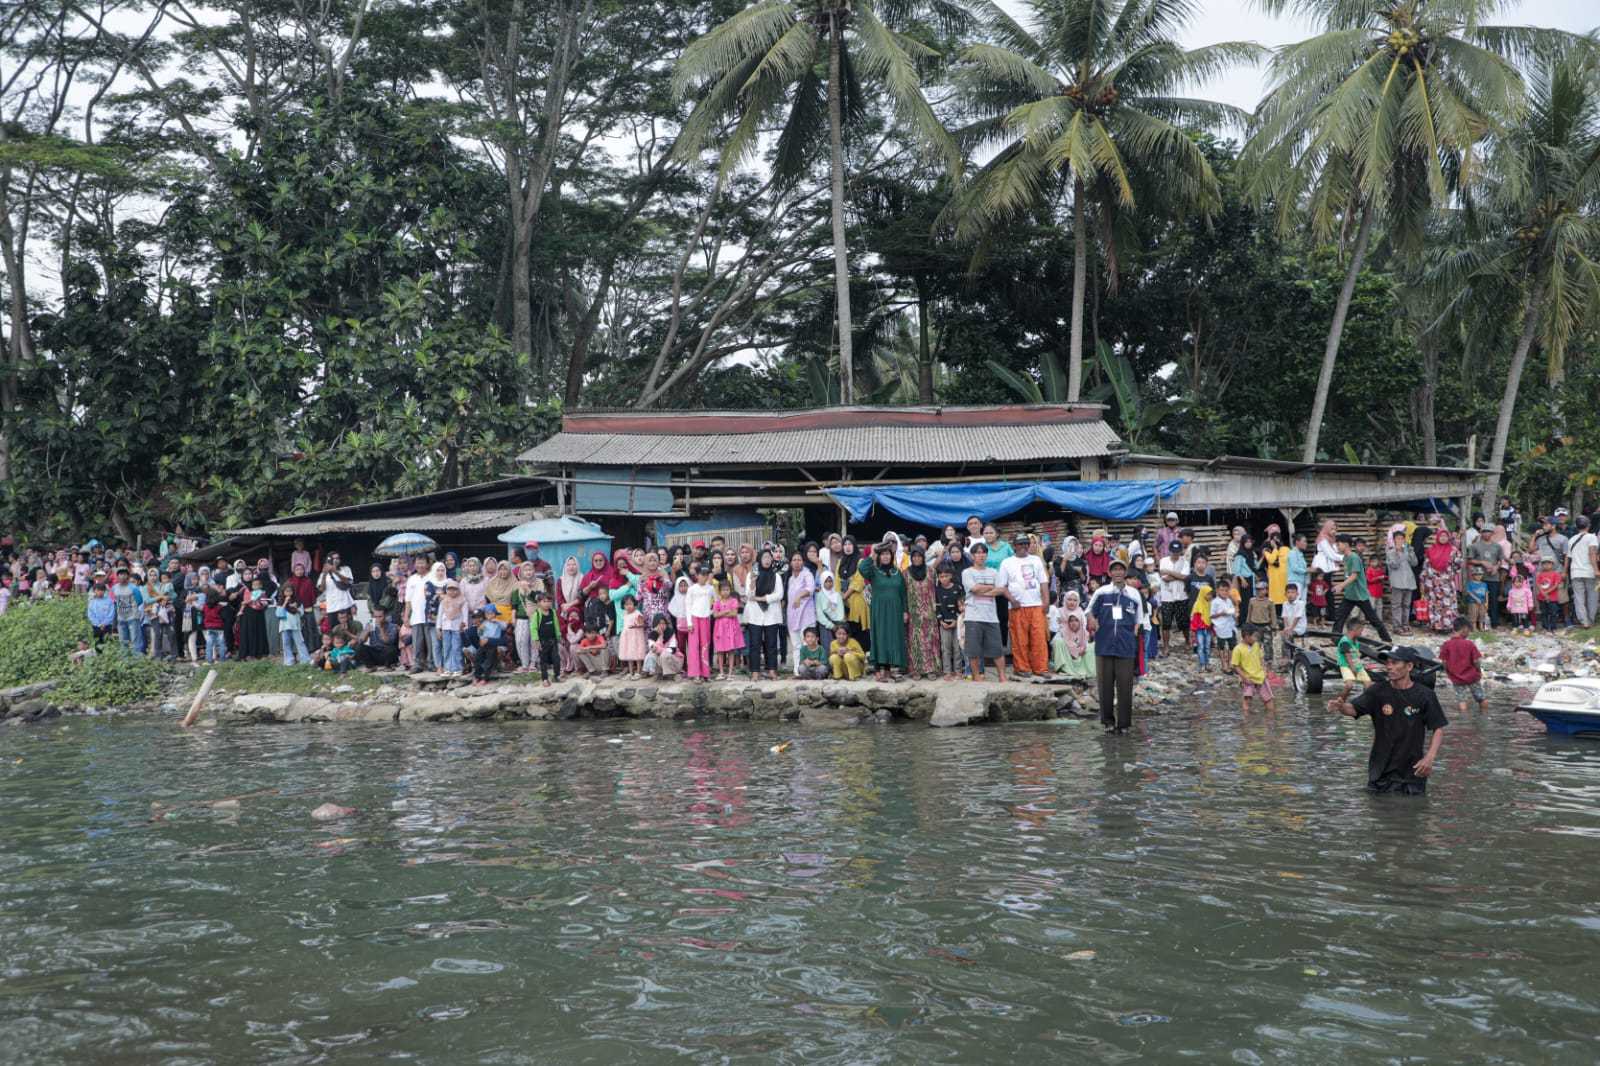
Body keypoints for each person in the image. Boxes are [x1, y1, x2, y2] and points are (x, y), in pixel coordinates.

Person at [1326, 646, 1447, 795]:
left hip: (1413, 773)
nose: (1389, 667)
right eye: (1388, 662)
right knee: (1379, 812)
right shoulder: (1377, 691)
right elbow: (1354, 709)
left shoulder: (1425, 695)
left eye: (1395, 662)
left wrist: (1429, 758)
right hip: (1380, 772)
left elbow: (1438, 728)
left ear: (1409, 666)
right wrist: (1341, 707)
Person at [1087, 560, 1142, 733]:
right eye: (1114, 569)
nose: (1118, 572)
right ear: (1110, 573)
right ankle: (1108, 722)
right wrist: (1092, 621)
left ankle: (1124, 725)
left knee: (1125, 686)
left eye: (1121, 569)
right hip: (1104, 645)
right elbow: (1088, 611)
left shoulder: (1134, 594)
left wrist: (1134, 634)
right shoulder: (1102, 592)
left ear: (1125, 572)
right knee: (1105, 686)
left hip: (1126, 647)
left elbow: (1139, 621)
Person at [997, 533, 1048, 678]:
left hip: (1036, 604)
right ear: (1014, 546)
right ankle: (1021, 668)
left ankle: (1041, 668)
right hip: (1017, 607)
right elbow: (1001, 586)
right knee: (1020, 639)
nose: (1024, 546)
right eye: (1020, 544)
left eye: (1026, 543)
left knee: (1039, 638)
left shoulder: (1036, 560)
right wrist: (1012, 600)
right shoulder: (1007, 562)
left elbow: (1043, 582)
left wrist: (1046, 601)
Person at [858, 543, 908, 681]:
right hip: (879, 610)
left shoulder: (897, 573)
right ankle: (879, 670)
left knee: (893, 638)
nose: (885, 557)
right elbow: (862, 568)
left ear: (891, 556)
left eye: (888, 554)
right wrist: (872, 554)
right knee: (880, 637)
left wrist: (905, 611)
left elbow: (903, 593)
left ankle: (890, 670)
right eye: (883, 554)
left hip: (895, 611)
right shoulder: (873, 571)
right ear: (879, 556)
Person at [1331, 533, 1392, 642]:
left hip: (1360, 595)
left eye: (1338, 544)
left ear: (1346, 544)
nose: (1337, 546)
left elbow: (1354, 576)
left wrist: (1340, 585)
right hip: (1350, 594)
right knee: (1340, 616)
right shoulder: (1346, 557)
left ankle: (1387, 640)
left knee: (1373, 619)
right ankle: (1335, 639)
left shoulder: (1354, 558)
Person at [961, 542, 1006, 683]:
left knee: (997, 649)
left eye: (983, 552)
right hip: (973, 616)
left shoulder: (994, 572)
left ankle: (1002, 676)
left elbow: (1001, 590)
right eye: (977, 553)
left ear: (986, 555)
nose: (981, 555)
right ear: (972, 556)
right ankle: (976, 676)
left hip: (991, 617)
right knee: (973, 650)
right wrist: (991, 588)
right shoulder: (967, 572)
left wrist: (984, 591)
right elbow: (974, 589)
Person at [744, 549, 785, 678]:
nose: (767, 560)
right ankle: (755, 671)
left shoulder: (776, 576)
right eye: (764, 557)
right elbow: (749, 595)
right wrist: (753, 582)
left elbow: (779, 594)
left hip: (771, 614)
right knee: (755, 643)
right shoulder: (751, 575)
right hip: (755, 614)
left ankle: (772, 669)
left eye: (769, 557)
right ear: (760, 559)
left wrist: (763, 598)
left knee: (771, 643)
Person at [903, 546, 941, 679]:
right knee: (915, 641)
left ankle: (931, 670)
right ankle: (916, 670)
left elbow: (937, 591)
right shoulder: (906, 573)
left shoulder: (931, 571)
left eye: (919, 556)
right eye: (914, 556)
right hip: (913, 614)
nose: (917, 558)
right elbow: (902, 594)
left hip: (930, 612)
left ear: (923, 557)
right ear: (911, 558)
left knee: (930, 640)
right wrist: (905, 611)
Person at [1438, 618, 1485, 714]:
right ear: (1464, 629)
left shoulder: (1446, 645)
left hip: (1457, 677)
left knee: (1461, 700)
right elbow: (1476, 661)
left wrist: (1449, 672)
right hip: (1472, 676)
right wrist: (1478, 670)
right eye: (1469, 631)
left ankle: (1464, 719)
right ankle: (1484, 715)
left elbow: (1444, 662)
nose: (1469, 633)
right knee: (1481, 698)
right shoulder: (1469, 644)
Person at [784, 551, 816, 675]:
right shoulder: (790, 578)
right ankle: (797, 670)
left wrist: (799, 596)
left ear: (803, 562)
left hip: (806, 615)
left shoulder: (807, 574)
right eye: (794, 560)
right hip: (793, 614)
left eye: (799, 560)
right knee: (796, 645)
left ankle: (808, 670)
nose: (797, 562)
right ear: (791, 563)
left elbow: (810, 589)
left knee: (807, 643)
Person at [1231, 625, 1276, 712]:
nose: (1256, 638)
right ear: (1247, 636)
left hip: (1260, 677)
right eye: (1254, 636)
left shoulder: (1256, 645)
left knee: (1268, 699)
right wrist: (1244, 677)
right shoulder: (1238, 649)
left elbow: (1260, 658)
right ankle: (1247, 722)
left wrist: (1264, 670)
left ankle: (1270, 721)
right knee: (1247, 700)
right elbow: (1235, 666)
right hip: (1247, 678)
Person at [1157, 541, 1191, 654]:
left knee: (1184, 622)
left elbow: (1185, 577)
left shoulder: (1185, 562)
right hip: (1167, 596)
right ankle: (1166, 646)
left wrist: (1170, 572)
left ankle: (1187, 641)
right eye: (1173, 552)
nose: (1175, 554)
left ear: (1181, 551)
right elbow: (1164, 577)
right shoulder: (1163, 561)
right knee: (1166, 623)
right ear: (1170, 550)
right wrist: (1178, 576)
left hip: (1181, 595)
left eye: (1177, 552)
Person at [1052, 590, 1094, 680]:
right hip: (1063, 636)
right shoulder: (1059, 611)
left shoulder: (1080, 612)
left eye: (1075, 600)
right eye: (1069, 599)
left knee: (1091, 647)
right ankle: (1063, 668)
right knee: (1058, 642)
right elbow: (1055, 627)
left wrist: (1082, 645)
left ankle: (1086, 669)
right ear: (1065, 600)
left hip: (1079, 637)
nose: (1072, 602)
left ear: (1078, 601)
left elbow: (1083, 629)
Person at [1384, 525, 1418, 634]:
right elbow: (1394, 566)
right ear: (1394, 540)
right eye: (1397, 539)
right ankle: (1396, 626)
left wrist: (1410, 553)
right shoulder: (1390, 552)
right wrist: (1398, 554)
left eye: (1402, 538)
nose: (1400, 540)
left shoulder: (1408, 551)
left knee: (1407, 605)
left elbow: (1415, 563)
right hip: (1397, 583)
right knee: (1396, 605)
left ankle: (1405, 624)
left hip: (1408, 582)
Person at [1567, 515, 1599, 628]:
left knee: (1579, 597)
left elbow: (1568, 558)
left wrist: (1565, 572)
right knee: (1592, 596)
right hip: (1589, 571)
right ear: (1589, 525)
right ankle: (1591, 620)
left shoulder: (1571, 540)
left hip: (1575, 572)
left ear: (1576, 526)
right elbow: (1592, 553)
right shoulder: (1591, 537)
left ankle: (1584, 621)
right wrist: (1596, 570)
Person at [685, 565, 715, 681]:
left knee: (705, 645)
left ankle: (705, 673)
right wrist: (689, 622)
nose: (704, 577)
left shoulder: (710, 588)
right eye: (702, 575)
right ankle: (695, 673)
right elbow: (687, 605)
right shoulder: (692, 589)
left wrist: (710, 611)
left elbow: (716, 602)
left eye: (706, 575)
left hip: (705, 619)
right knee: (693, 646)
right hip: (694, 619)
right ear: (696, 575)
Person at [712, 579, 745, 680]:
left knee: (731, 651)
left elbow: (734, 613)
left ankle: (730, 672)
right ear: (719, 591)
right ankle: (721, 672)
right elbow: (715, 615)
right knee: (720, 651)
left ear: (730, 590)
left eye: (727, 589)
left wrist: (721, 613)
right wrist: (726, 611)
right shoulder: (717, 602)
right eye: (723, 590)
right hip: (720, 629)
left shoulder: (734, 600)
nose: (725, 592)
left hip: (731, 628)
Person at [935, 567, 963, 679]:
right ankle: (947, 671)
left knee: (957, 647)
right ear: (938, 578)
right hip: (944, 624)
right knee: (945, 648)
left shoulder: (958, 588)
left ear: (951, 576)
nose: (944, 578)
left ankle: (958, 670)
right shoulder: (937, 590)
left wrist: (956, 620)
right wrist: (941, 621)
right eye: (941, 576)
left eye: (946, 576)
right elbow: (936, 607)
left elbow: (961, 606)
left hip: (957, 622)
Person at [529, 591, 561, 685]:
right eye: (544, 601)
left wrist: (558, 635)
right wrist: (536, 640)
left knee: (556, 659)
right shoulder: (537, 615)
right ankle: (545, 679)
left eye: (549, 601)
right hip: (542, 642)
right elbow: (533, 628)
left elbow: (556, 624)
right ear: (539, 603)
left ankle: (557, 676)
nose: (547, 603)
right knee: (543, 661)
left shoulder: (552, 612)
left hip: (553, 641)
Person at [437, 580, 467, 674]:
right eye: (449, 589)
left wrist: (464, 626)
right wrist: (438, 628)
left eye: (454, 589)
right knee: (446, 648)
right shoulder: (444, 601)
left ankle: (458, 668)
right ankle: (447, 668)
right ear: (446, 590)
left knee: (456, 647)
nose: (452, 592)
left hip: (457, 628)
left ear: (458, 590)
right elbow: (440, 615)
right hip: (445, 628)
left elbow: (465, 615)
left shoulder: (462, 600)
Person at [643, 613, 682, 679]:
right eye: (659, 623)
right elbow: (652, 648)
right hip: (661, 658)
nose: (662, 625)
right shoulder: (652, 634)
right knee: (650, 655)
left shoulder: (670, 632)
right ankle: (657, 672)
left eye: (663, 623)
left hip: (674, 659)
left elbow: (672, 649)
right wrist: (660, 636)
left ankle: (671, 673)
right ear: (655, 624)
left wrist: (659, 649)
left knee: (664, 654)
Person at [616, 593, 646, 678]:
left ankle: (638, 672)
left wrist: (636, 626)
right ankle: (631, 672)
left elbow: (642, 624)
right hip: (627, 637)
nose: (628, 606)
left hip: (636, 636)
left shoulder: (637, 613)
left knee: (637, 653)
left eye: (630, 604)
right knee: (629, 654)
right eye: (626, 604)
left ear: (634, 604)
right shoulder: (625, 614)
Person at [473, 608, 507, 683]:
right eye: (487, 614)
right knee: (477, 657)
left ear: (495, 614)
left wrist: (497, 621)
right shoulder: (484, 623)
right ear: (485, 615)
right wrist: (480, 630)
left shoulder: (498, 623)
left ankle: (485, 678)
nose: (489, 615)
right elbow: (480, 634)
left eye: (491, 613)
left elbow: (505, 626)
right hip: (484, 643)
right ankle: (477, 676)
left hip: (493, 643)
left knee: (489, 659)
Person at [1211, 583, 1238, 668]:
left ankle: (1230, 663)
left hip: (1230, 625)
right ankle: (1223, 664)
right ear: (1217, 591)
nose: (1224, 592)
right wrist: (1221, 613)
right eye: (1222, 590)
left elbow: (1232, 610)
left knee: (1232, 645)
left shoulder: (1229, 600)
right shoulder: (1215, 602)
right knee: (1221, 646)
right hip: (1220, 626)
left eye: (1226, 590)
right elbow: (1211, 615)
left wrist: (1235, 615)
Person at [1337, 618, 1371, 684]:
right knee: (1349, 685)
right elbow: (1348, 657)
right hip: (1346, 665)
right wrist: (1353, 668)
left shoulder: (1355, 641)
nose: (1361, 633)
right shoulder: (1345, 641)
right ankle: (1341, 695)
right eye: (1361, 630)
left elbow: (1355, 654)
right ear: (1355, 629)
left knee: (1368, 683)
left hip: (1357, 665)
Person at [1190, 584, 1215, 670]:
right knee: (1200, 647)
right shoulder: (1197, 604)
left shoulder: (1210, 604)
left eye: (1211, 594)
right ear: (1203, 594)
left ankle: (1207, 663)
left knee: (1207, 647)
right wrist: (1193, 630)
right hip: (1199, 630)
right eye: (1208, 594)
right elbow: (1194, 618)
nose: (1210, 596)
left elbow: (1212, 618)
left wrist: (1213, 630)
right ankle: (1202, 664)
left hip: (1208, 629)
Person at [1536, 557, 1563, 631]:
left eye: (1548, 563)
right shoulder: (1540, 574)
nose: (1546, 565)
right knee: (1544, 613)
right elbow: (1538, 584)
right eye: (1544, 563)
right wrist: (1543, 593)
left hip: (1553, 598)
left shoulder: (1556, 574)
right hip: (1542, 597)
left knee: (1553, 613)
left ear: (1552, 564)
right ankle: (1545, 627)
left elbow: (1556, 585)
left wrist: (1547, 592)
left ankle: (1553, 627)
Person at [1280, 583, 1306, 660]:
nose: (1290, 594)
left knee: (1286, 636)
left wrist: (1290, 629)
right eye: (1288, 592)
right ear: (1285, 594)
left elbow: (1297, 618)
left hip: (1299, 627)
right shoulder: (1285, 603)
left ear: (1297, 594)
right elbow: (1285, 617)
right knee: (1284, 634)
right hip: (1290, 627)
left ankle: (1287, 659)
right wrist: (1286, 628)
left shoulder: (1301, 603)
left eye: (1292, 592)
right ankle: (1287, 656)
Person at [1506, 568, 1535, 634]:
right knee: (1515, 619)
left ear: (1523, 582)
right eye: (1516, 582)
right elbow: (1509, 599)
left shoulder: (1526, 590)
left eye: (1520, 582)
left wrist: (1530, 605)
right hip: (1514, 608)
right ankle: (1515, 628)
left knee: (1524, 618)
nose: (1518, 583)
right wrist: (1508, 606)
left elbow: (1530, 598)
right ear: (1513, 583)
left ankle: (1526, 628)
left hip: (1523, 608)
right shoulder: (1511, 591)